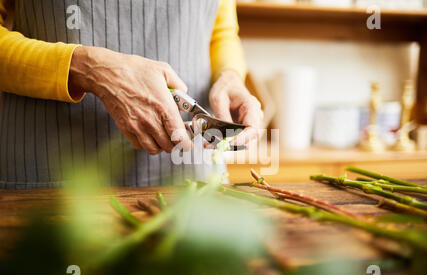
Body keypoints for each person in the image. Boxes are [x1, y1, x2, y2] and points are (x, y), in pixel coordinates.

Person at [0, 0, 262, 189]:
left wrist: (231, 76)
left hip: (191, 175)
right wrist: (88, 68)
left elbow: (220, 31)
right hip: (53, 172)